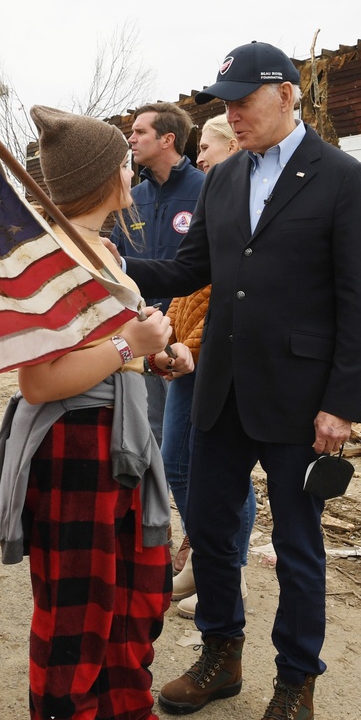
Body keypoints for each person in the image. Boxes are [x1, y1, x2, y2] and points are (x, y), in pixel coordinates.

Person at [125, 41, 361, 720]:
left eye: (244, 102)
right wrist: (114, 264)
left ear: (287, 96)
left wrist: (341, 402)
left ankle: (297, 682)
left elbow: (359, 300)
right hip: (222, 389)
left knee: (298, 546)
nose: (233, 115)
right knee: (210, 529)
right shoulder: (225, 179)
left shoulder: (340, 178)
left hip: (300, 401)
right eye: (226, 104)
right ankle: (221, 653)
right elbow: (187, 269)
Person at [0, 105, 176, 720]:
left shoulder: (104, 252)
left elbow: (109, 353)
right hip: (74, 446)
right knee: (78, 607)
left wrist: (155, 356)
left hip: (121, 439)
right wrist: (132, 348)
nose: (131, 170)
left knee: (135, 593)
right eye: (122, 162)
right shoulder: (52, 262)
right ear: (107, 178)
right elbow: (39, 381)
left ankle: (125, 711)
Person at [154, 116, 255, 618]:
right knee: (177, 460)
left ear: (234, 144)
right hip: (185, 351)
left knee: (223, 469)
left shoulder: (247, 206)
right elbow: (188, 281)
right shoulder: (213, 195)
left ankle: (221, 569)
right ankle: (210, 556)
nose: (200, 157)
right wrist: (169, 335)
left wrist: (186, 345)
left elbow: (225, 296)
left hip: (211, 357)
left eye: (208, 147)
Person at [110, 102, 204, 447]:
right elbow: (116, 265)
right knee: (149, 430)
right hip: (141, 329)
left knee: (191, 436)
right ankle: (158, 499)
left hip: (188, 337)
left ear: (167, 139)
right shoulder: (132, 198)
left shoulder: (205, 191)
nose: (131, 139)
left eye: (140, 132)